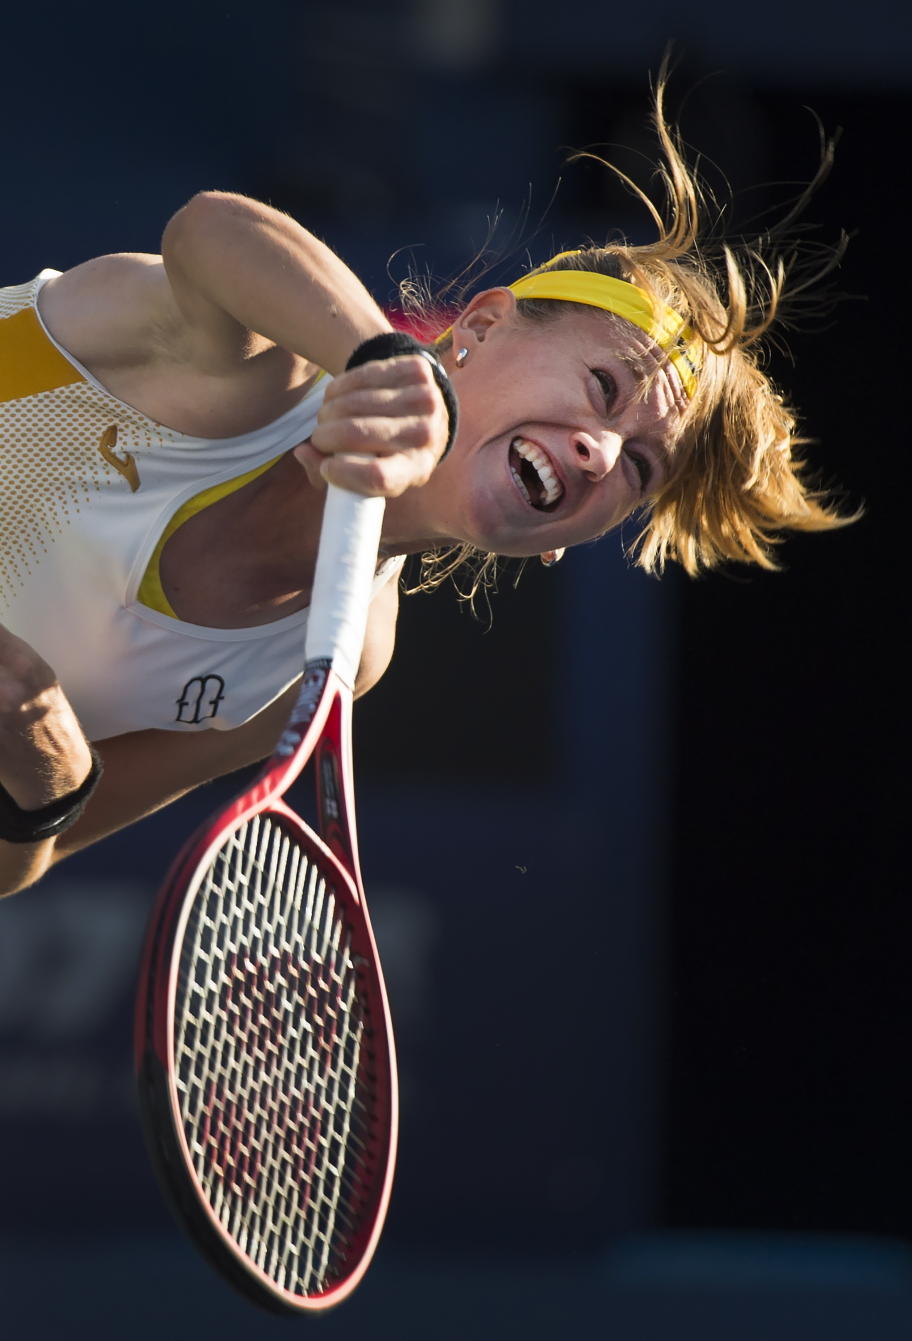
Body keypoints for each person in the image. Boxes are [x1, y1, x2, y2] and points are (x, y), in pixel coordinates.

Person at [0, 86, 852, 897]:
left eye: (636, 470)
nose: (600, 452)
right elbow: (211, 229)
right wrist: (382, 360)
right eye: (602, 387)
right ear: (477, 326)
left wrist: (52, 774)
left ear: (561, 543)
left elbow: (17, 860)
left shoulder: (338, 662)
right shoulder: (258, 367)